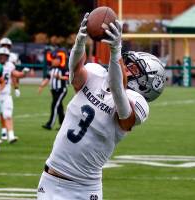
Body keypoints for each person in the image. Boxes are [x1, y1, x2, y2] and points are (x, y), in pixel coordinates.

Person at [37, 13, 166, 200]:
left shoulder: (139, 104)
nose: (127, 66)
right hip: (50, 178)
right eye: (128, 63)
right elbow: (75, 75)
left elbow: (119, 95)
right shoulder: (96, 72)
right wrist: (79, 44)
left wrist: (115, 51)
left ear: (147, 83)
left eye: (135, 68)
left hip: (85, 188)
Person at [0, 47, 29, 143]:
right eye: (1, 56)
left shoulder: (10, 65)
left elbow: (16, 75)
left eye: (4, 56)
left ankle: (11, 136)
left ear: (7, 57)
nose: (2, 57)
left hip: (6, 94)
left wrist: (24, 73)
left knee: (7, 115)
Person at [38, 52, 69, 130]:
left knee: (54, 106)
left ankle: (50, 124)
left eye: (55, 59)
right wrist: (41, 86)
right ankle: (63, 125)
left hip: (61, 90)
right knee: (59, 108)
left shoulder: (63, 69)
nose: (53, 61)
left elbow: (67, 77)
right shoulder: (51, 69)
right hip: (54, 91)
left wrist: (60, 77)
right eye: (53, 59)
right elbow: (47, 79)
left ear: (59, 61)